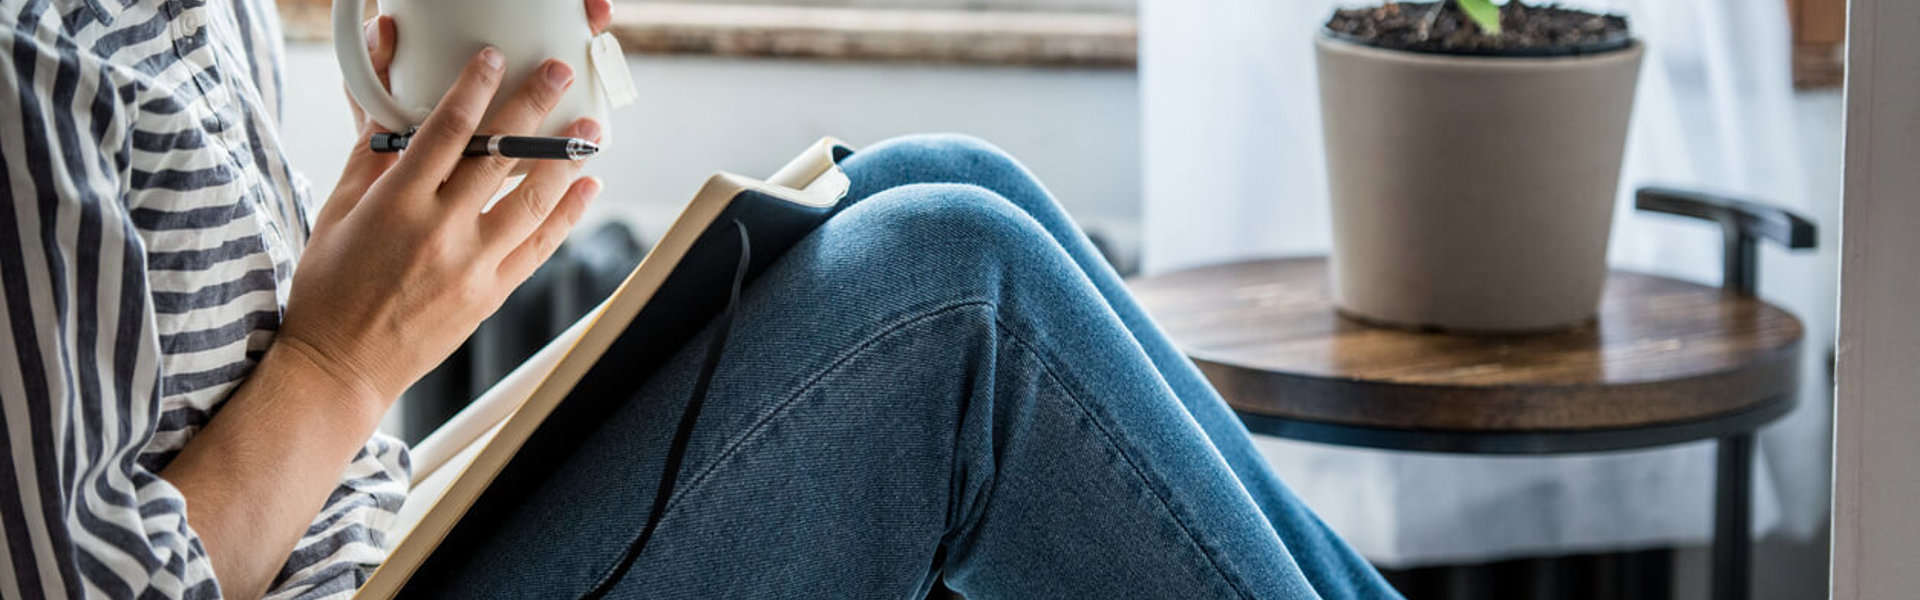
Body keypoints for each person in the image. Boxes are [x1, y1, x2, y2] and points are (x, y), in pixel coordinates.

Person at [0, 0, 1401, 598]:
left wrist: (400, 207)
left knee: (928, 181)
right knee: (954, 297)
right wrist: (335, 363)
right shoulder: (38, 60)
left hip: (375, 554)